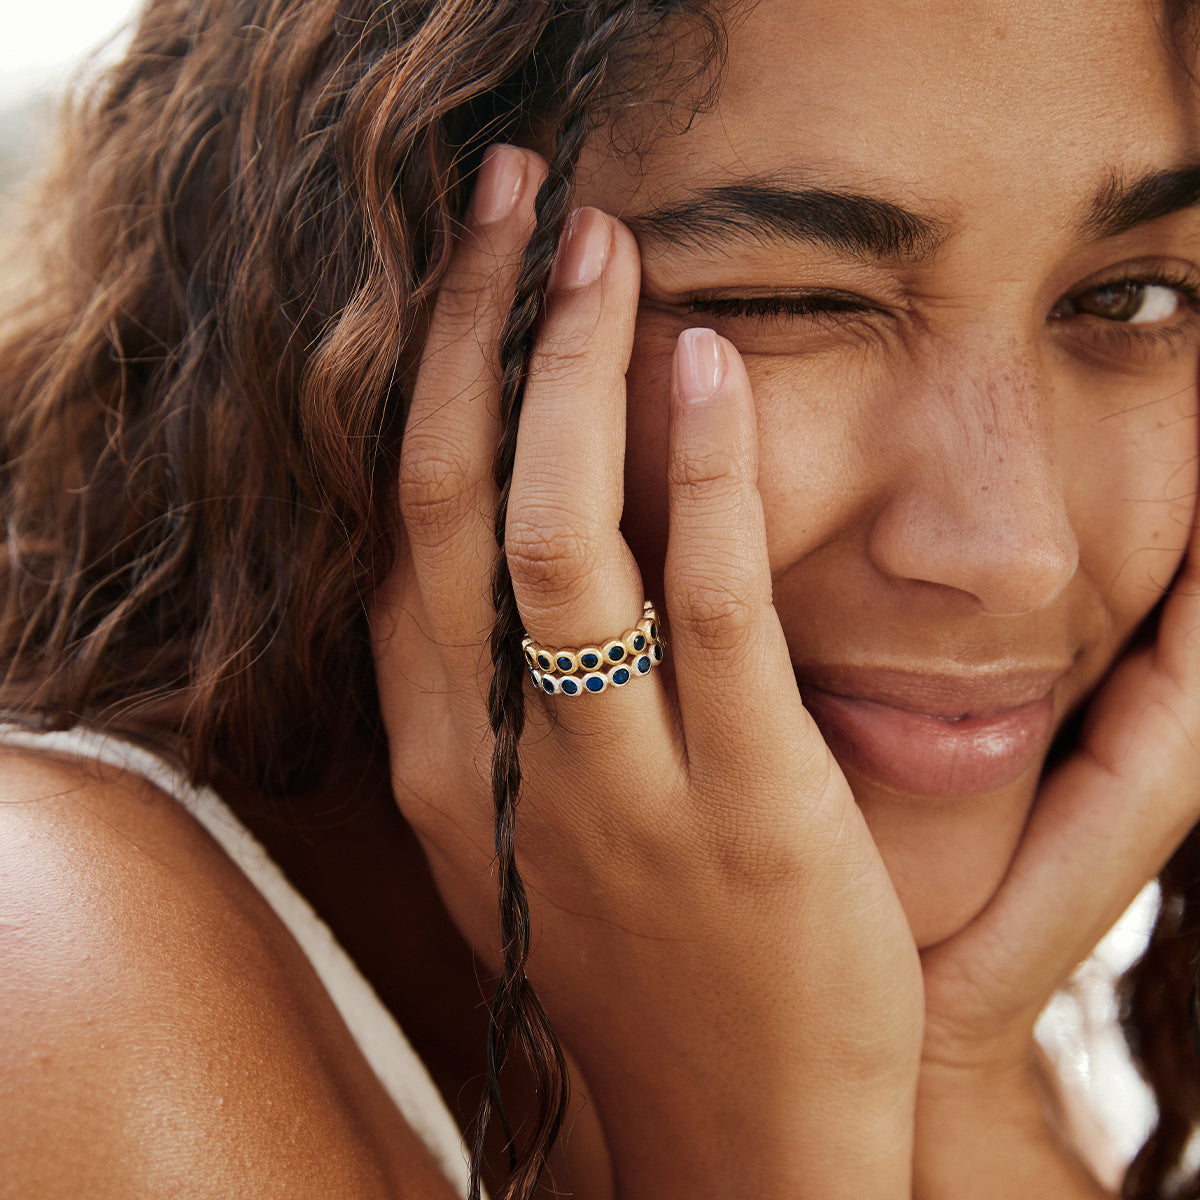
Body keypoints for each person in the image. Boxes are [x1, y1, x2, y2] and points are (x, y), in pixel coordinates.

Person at [1, 0, 1198, 1196]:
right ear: (364, 313)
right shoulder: (64, 978)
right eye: (785, 306)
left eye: (1136, 300)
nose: (1016, 551)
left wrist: (960, 1077)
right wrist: (764, 1154)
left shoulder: (1008, 1024)